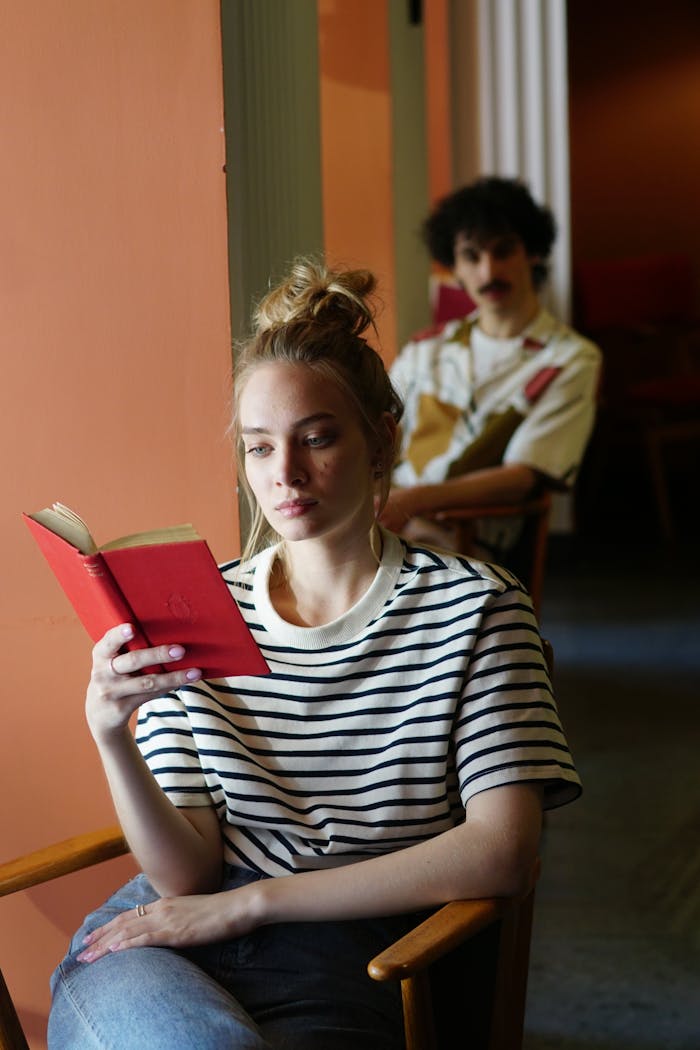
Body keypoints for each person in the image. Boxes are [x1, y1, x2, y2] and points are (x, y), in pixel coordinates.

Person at [48, 258, 582, 1050]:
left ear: (380, 440)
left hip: (364, 958)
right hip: (165, 943)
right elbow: (185, 878)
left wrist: (258, 901)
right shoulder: (195, 608)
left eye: (317, 438)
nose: (286, 475)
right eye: (260, 448)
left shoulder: (474, 609)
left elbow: (504, 850)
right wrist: (109, 735)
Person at [380, 175, 602, 567]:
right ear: (454, 266)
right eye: (472, 256)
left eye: (503, 251)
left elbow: (523, 476)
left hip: (470, 551)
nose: (488, 271)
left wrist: (411, 502)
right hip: (386, 530)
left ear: (532, 252)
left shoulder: (569, 360)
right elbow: (377, 440)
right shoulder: (424, 350)